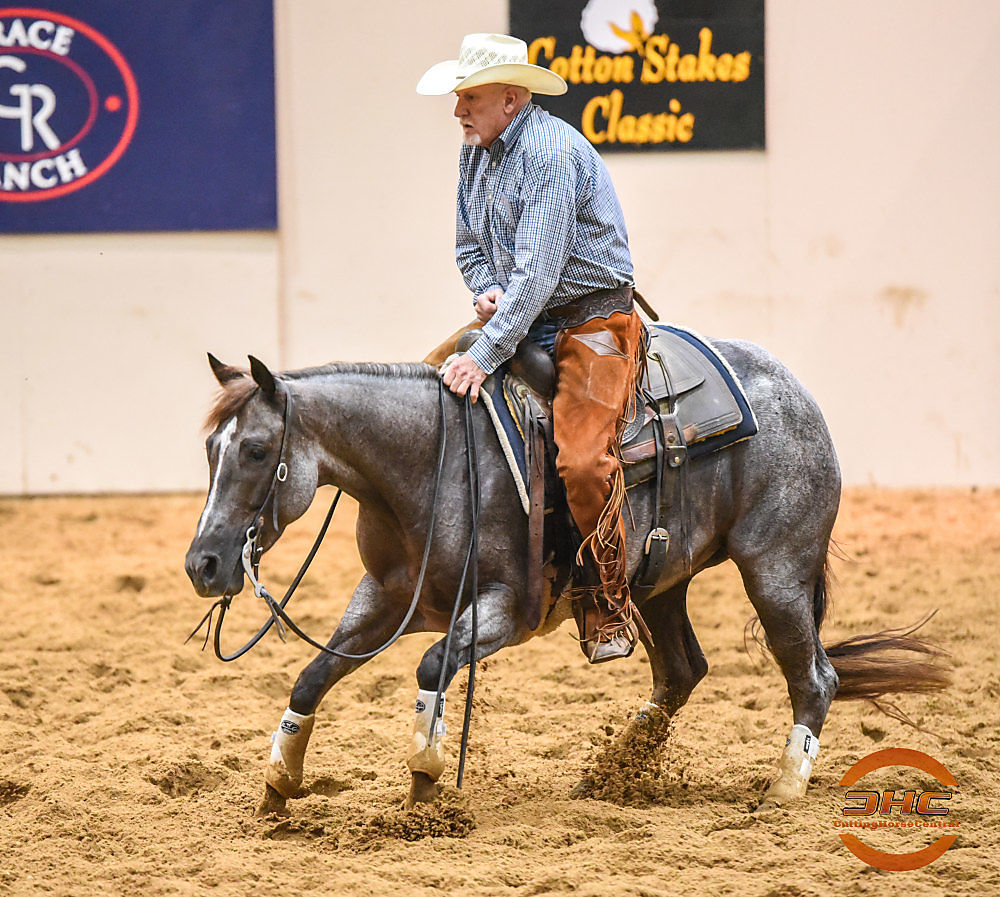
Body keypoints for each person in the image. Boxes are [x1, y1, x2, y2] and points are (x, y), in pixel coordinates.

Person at [417, 33, 648, 663]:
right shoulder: (477, 151)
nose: (458, 109)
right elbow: (469, 245)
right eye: (459, 97)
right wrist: (489, 288)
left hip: (590, 322)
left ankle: (606, 600)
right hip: (528, 314)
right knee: (423, 400)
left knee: (581, 461)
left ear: (511, 99)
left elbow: (542, 274)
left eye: (469, 96)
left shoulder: (549, 152)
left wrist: (486, 349)